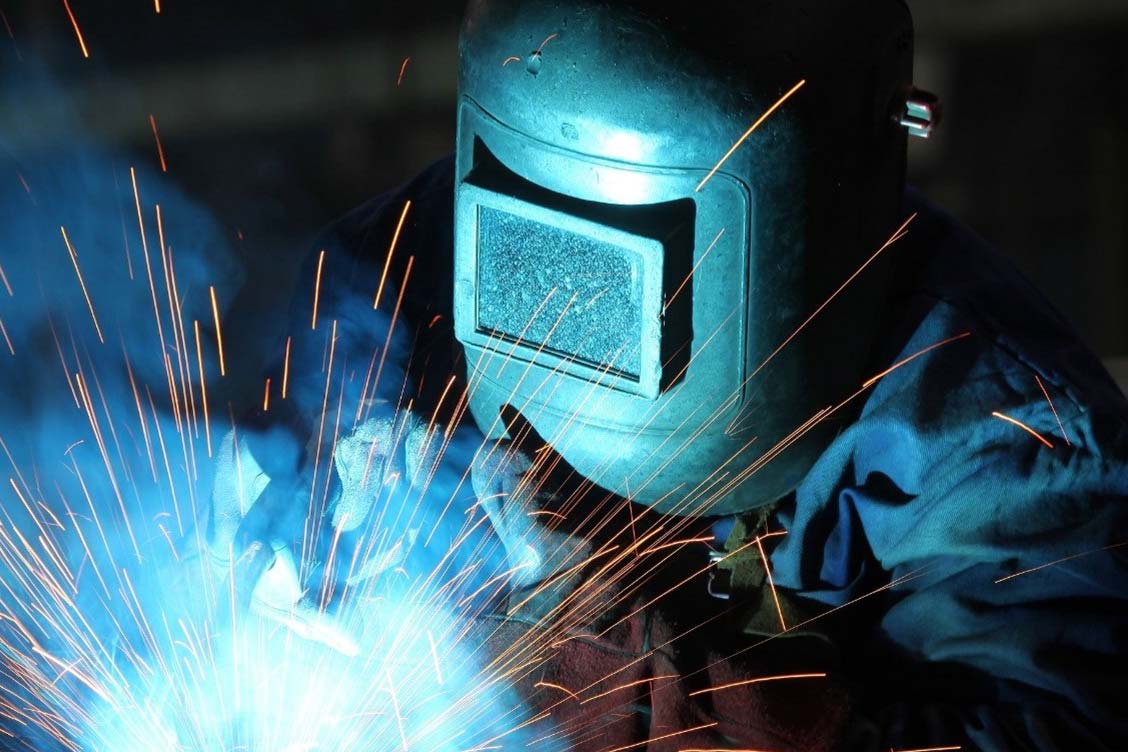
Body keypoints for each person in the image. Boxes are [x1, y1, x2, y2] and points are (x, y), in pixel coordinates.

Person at [208, 1, 1128, 749]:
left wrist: (762, 725)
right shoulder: (393, 279)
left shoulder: (1003, 444)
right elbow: (249, 518)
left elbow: (1064, 723)